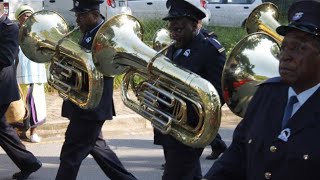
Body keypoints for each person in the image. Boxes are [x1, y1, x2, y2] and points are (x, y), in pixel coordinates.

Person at [203, 0, 320, 179]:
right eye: (285, 47)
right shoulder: (267, 94)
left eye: (299, 48)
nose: (286, 56)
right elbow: (236, 156)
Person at [55, 0, 137, 180]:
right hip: (85, 103)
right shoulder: (88, 32)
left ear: (94, 14)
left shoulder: (105, 35)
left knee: (70, 154)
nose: (77, 20)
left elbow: (100, 70)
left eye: (81, 16)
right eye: (76, 15)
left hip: (92, 106)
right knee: (99, 149)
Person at [153, 0, 226, 179]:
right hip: (169, 124)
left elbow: (218, 92)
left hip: (191, 127)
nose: (174, 34)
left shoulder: (209, 49)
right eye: (172, 29)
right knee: (189, 174)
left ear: (194, 25)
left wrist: (190, 111)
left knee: (174, 175)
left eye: (179, 29)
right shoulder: (172, 47)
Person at [0, 1, 42, 180]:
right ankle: (29, 163)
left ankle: (29, 163)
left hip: (1, 87)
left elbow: (6, 57)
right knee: (2, 128)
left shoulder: (10, 28)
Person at [15, 5, 47, 143]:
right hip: (19, 73)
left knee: (36, 104)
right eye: (25, 15)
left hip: (36, 73)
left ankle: (34, 132)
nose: (27, 18)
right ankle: (19, 132)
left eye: (30, 15)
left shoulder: (38, 32)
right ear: (19, 17)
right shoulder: (13, 31)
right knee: (19, 105)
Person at [197, 21, 228, 161]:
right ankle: (218, 145)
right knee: (201, 121)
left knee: (200, 121)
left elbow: (218, 74)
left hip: (214, 90)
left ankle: (218, 145)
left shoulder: (206, 42)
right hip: (205, 89)